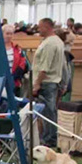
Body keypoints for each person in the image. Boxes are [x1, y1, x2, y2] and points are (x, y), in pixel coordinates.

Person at [31, 18, 66, 147]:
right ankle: (49, 137)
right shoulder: (57, 41)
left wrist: (37, 84)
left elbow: (44, 68)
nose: (38, 29)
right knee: (50, 111)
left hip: (46, 82)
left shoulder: (49, 44)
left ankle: (48, 139)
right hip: (53, 81)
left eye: (40, 27)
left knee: (47, 113)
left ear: (46, 27)